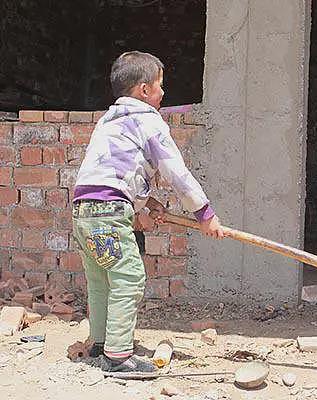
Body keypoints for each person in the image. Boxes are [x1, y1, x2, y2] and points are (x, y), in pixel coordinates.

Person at [71, 51, 224, 372]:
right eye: (159, 86)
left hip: (84, 209)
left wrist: (145, 202)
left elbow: (114, 173)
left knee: (101, 279)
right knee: (128, 278)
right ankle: (118, 356)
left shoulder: (108, 122)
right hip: (111, 212)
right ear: (143, 90)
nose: (163, 93)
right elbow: (177, 173)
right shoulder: (149, 121)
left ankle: (101, 343)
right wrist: (205, 214)